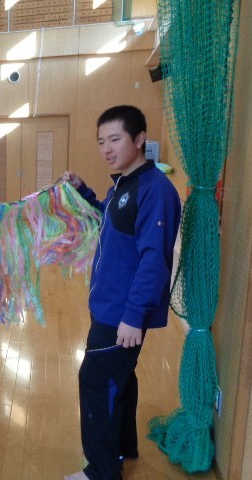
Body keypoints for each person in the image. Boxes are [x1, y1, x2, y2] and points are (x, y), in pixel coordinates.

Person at [63, 105, 181, 480]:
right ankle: (123, 449)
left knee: (96, 382)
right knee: (121, 378)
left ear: (140, 139)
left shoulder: (154, 189)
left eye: (115, 139)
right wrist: (83, 191)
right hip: (109, 307)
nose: (106, 149)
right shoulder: (124, 185)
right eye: (101, 141)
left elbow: (154, 260)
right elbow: (108, 218)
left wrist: (133, 316)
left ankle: (101, 471)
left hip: (121, 314)